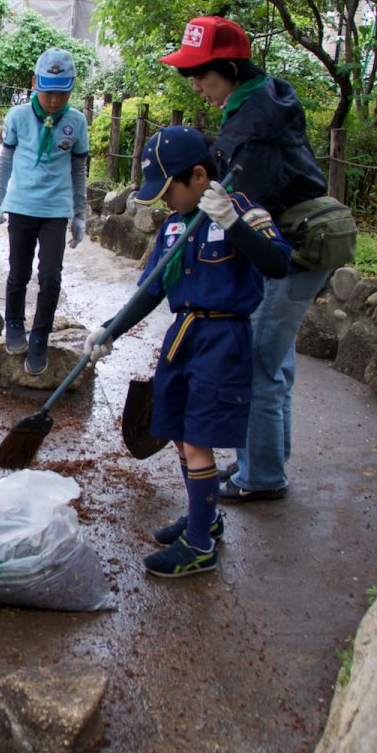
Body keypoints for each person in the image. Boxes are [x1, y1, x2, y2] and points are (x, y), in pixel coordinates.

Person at [85, 126, 290, 576]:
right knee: (180, 430)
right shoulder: (177, 224)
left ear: (199, 175)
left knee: (198, 438)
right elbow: (153, 288)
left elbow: (278, 262)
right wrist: (110, 330)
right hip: (183, 338)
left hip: (223, 341)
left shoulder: (240, 211)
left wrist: (232, 224)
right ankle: (206, 518)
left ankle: (199, 546)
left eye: (168, 189)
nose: (163, 201)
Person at [158, 15, 331, 503]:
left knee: (256, 364)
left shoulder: (251, 125)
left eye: (203, 75)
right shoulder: (262, 99)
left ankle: (262, 477)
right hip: (295, 236)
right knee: (276, 363)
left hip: (291, 247)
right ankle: (268, 458)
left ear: (231, 68)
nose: (196, 86)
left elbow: (231, 198)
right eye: (190, 75)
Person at [0, 47, 90, 375]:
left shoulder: (77, 122)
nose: (55, 101)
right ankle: (14, 323)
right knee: (18, 272)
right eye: (48, 92)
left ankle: (41, 335)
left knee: (50, 276)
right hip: (21, 207)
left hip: (55, 210)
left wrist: (79, 214)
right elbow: (5, 162)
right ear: (35, 83)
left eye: (63, 93)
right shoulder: (17, 117)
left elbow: (78, 170)